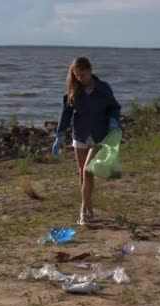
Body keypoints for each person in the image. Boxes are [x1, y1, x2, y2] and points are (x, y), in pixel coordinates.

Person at [52, 56, 121, 225]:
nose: (79, 78)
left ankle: (84, 211)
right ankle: (90, 209)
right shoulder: (74, 91)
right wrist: (59, 136)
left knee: (88, 172)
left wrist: (113, 121)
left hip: (99, 135)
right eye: (76, 75)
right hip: (80, 135)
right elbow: (66, 113)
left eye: (82, 74)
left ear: (89, 70)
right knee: (83, 174)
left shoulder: (103, 88)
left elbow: (114, 107)